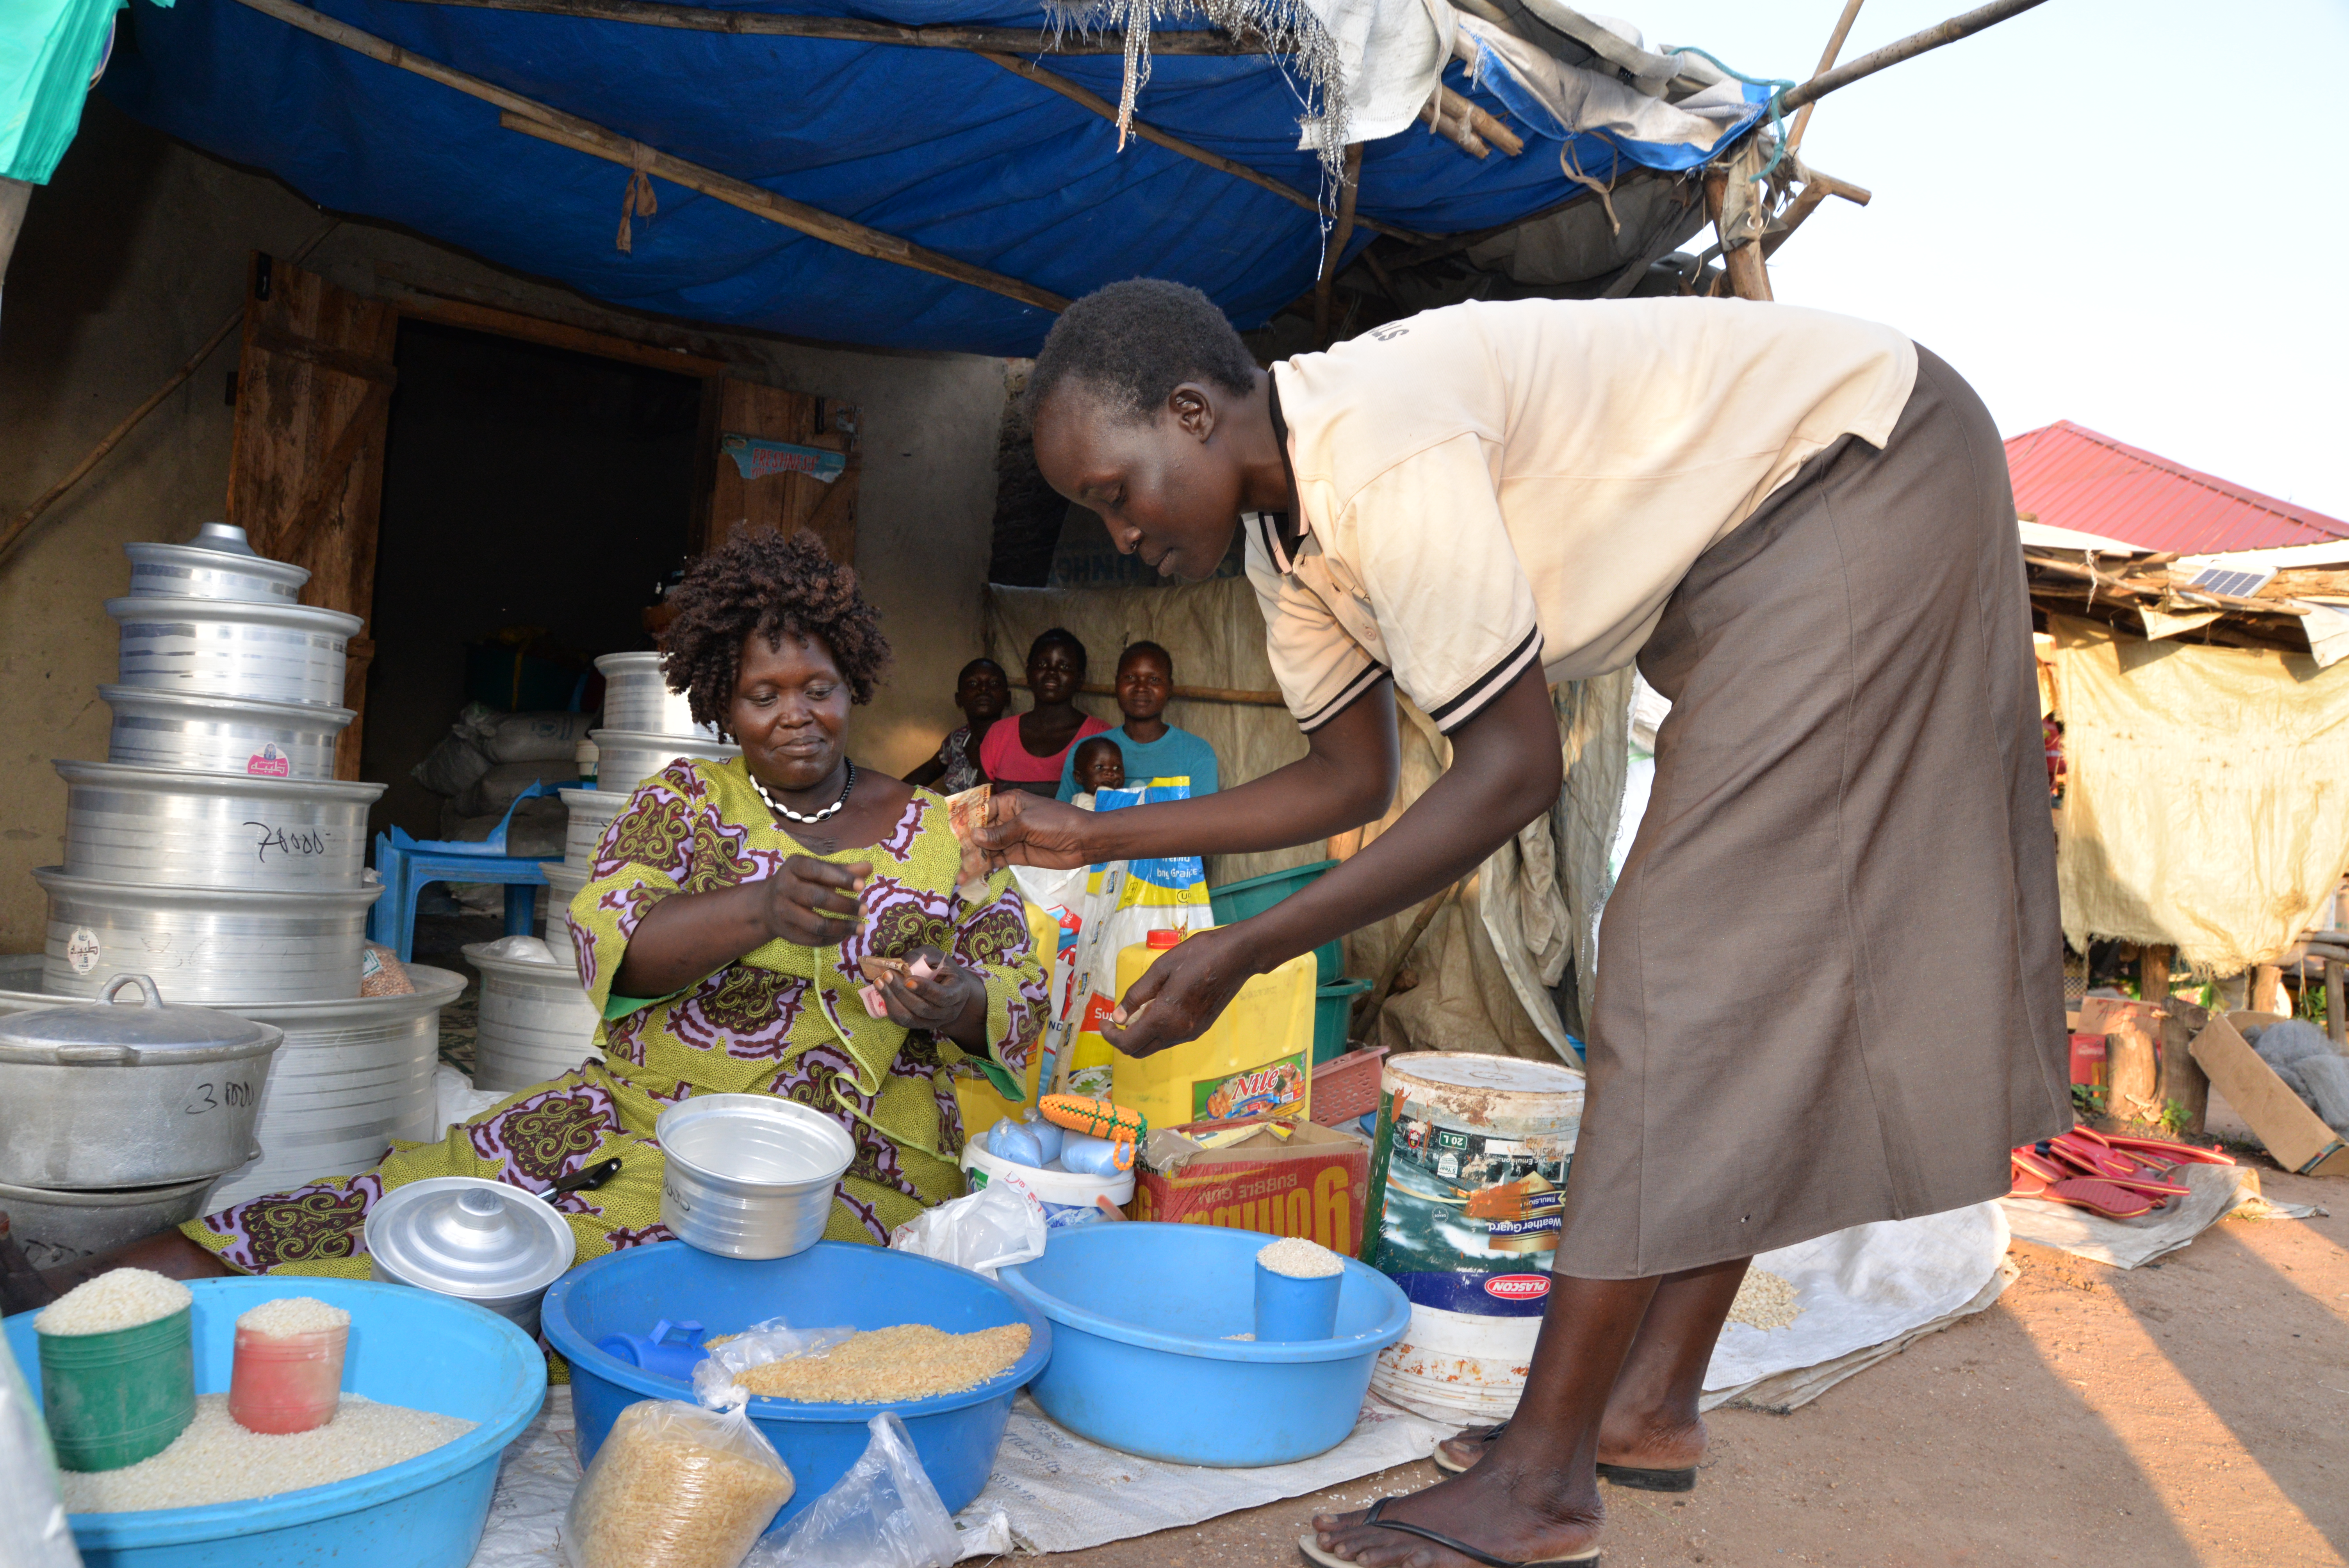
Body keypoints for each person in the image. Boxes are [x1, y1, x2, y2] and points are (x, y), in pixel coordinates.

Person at [975, 281, 2067, 1568]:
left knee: (1683, 965)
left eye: (1116, 488)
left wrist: (1246, 945)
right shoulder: (1288, 547)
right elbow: (1348, 780)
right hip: (1771, 542)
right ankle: (1643, 1403)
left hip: (1862, 473)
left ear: (1194, 411)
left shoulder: (1377, 447)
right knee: (1738, 963)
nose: (1120, 530)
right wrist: (1095, 835)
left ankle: (1543, 1479)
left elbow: (1509, 769)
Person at [1, 529, 1046, 1310]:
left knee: (616, 1278)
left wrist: (956, 1003)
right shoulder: (684, 803)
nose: (796, 714)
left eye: (816, 686)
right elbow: (611, 942)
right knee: (391, 1209)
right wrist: (762, 905)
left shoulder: (942, 829)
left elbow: (1019, 997)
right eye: (765, 693)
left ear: (852, 682)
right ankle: (68, 1308)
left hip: (852, 1157)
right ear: (724, 705)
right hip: (639, 1113)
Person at [1056, 640, 1221, 801]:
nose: (1141, 687)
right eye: (1130, 677)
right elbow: (1063, 818)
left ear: (1170, 688)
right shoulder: (1086, 752)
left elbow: (1204, 823)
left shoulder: (1197, 754)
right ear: (1116, 684)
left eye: (1154, 680)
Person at [979, 627, 1109, 798]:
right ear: (1029, 673)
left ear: (1080, 679)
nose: (1052, 673)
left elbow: (1109, 809)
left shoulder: (1100, 736)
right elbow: (979, 807)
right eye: (1042, 665)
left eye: (1064, 666)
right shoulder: (999, 734)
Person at [905, 656, 1009, 792]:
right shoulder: (957, 740)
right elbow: (927, 772)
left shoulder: (1017, 740)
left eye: (994, 684)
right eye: (972, 684)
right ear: (959, 699)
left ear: (1008, 699)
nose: (984, 689)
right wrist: (890, 795)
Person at [1067, 734, 1127, 800]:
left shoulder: (1123, 799)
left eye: (1117, 768)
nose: (1110, 773)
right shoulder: (1083, 801)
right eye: (1100, 767)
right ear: (1079, 777)